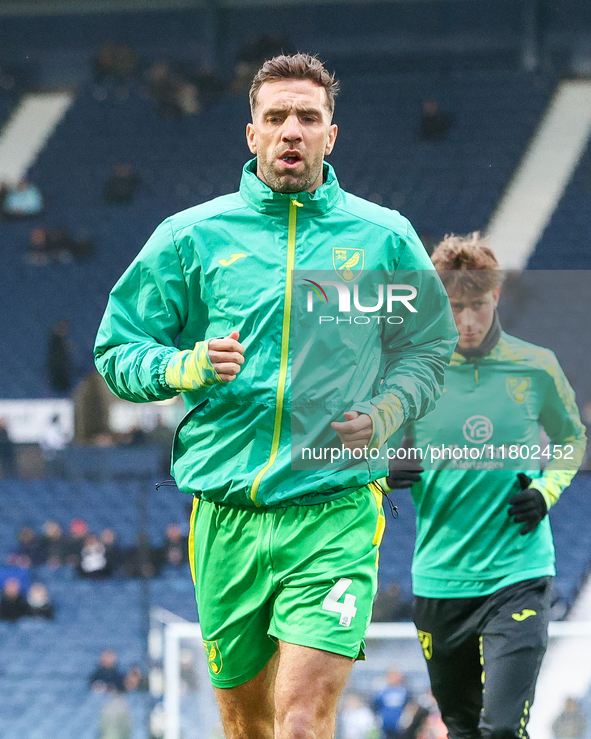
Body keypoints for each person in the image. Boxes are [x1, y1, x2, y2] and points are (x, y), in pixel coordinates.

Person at [94, 53, 457, 739]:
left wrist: (388, 409)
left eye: (308, 118)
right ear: (251, 133)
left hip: (334, 509)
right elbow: (117, 352)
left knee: (298, 722)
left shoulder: (381, 238)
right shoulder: (190, 238)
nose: (292, 130)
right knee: (248, 725)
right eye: (276, 117)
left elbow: (430, 347)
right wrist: (185, 367)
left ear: (331, 134)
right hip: (226, 515)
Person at [386, 233, 587, 739]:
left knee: (499, 730)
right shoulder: (412, 372)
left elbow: (570, 438)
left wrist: (547, 490)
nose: (468, 321)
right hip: (440, 581)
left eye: (477, 305)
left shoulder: (535, 364)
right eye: (455, 307)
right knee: (461, 727)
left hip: (517, 574)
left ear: (494, 297)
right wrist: (385, 466)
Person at [372, 669, 411, 739]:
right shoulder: (383, 691)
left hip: (398, 726)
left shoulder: (404, 691)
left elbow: (409, 705)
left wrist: (406, 718)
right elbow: (376, 705)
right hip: (385, 725)